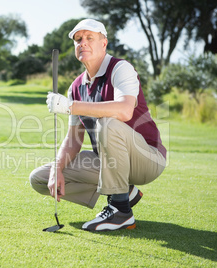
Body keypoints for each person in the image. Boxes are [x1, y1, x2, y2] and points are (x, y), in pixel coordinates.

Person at [29, 19, 167, 232]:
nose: (82, 43)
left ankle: (120, 210)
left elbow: (124, 110)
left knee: (108, 123)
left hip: (147, 158)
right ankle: (124, 191)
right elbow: (73, 140)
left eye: (89, 38)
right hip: (110, 163)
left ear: (104, 43)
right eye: (78, 39)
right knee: (39, 179)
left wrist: (71, 106)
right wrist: (57, 170)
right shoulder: (75, 87)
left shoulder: (120, 68)